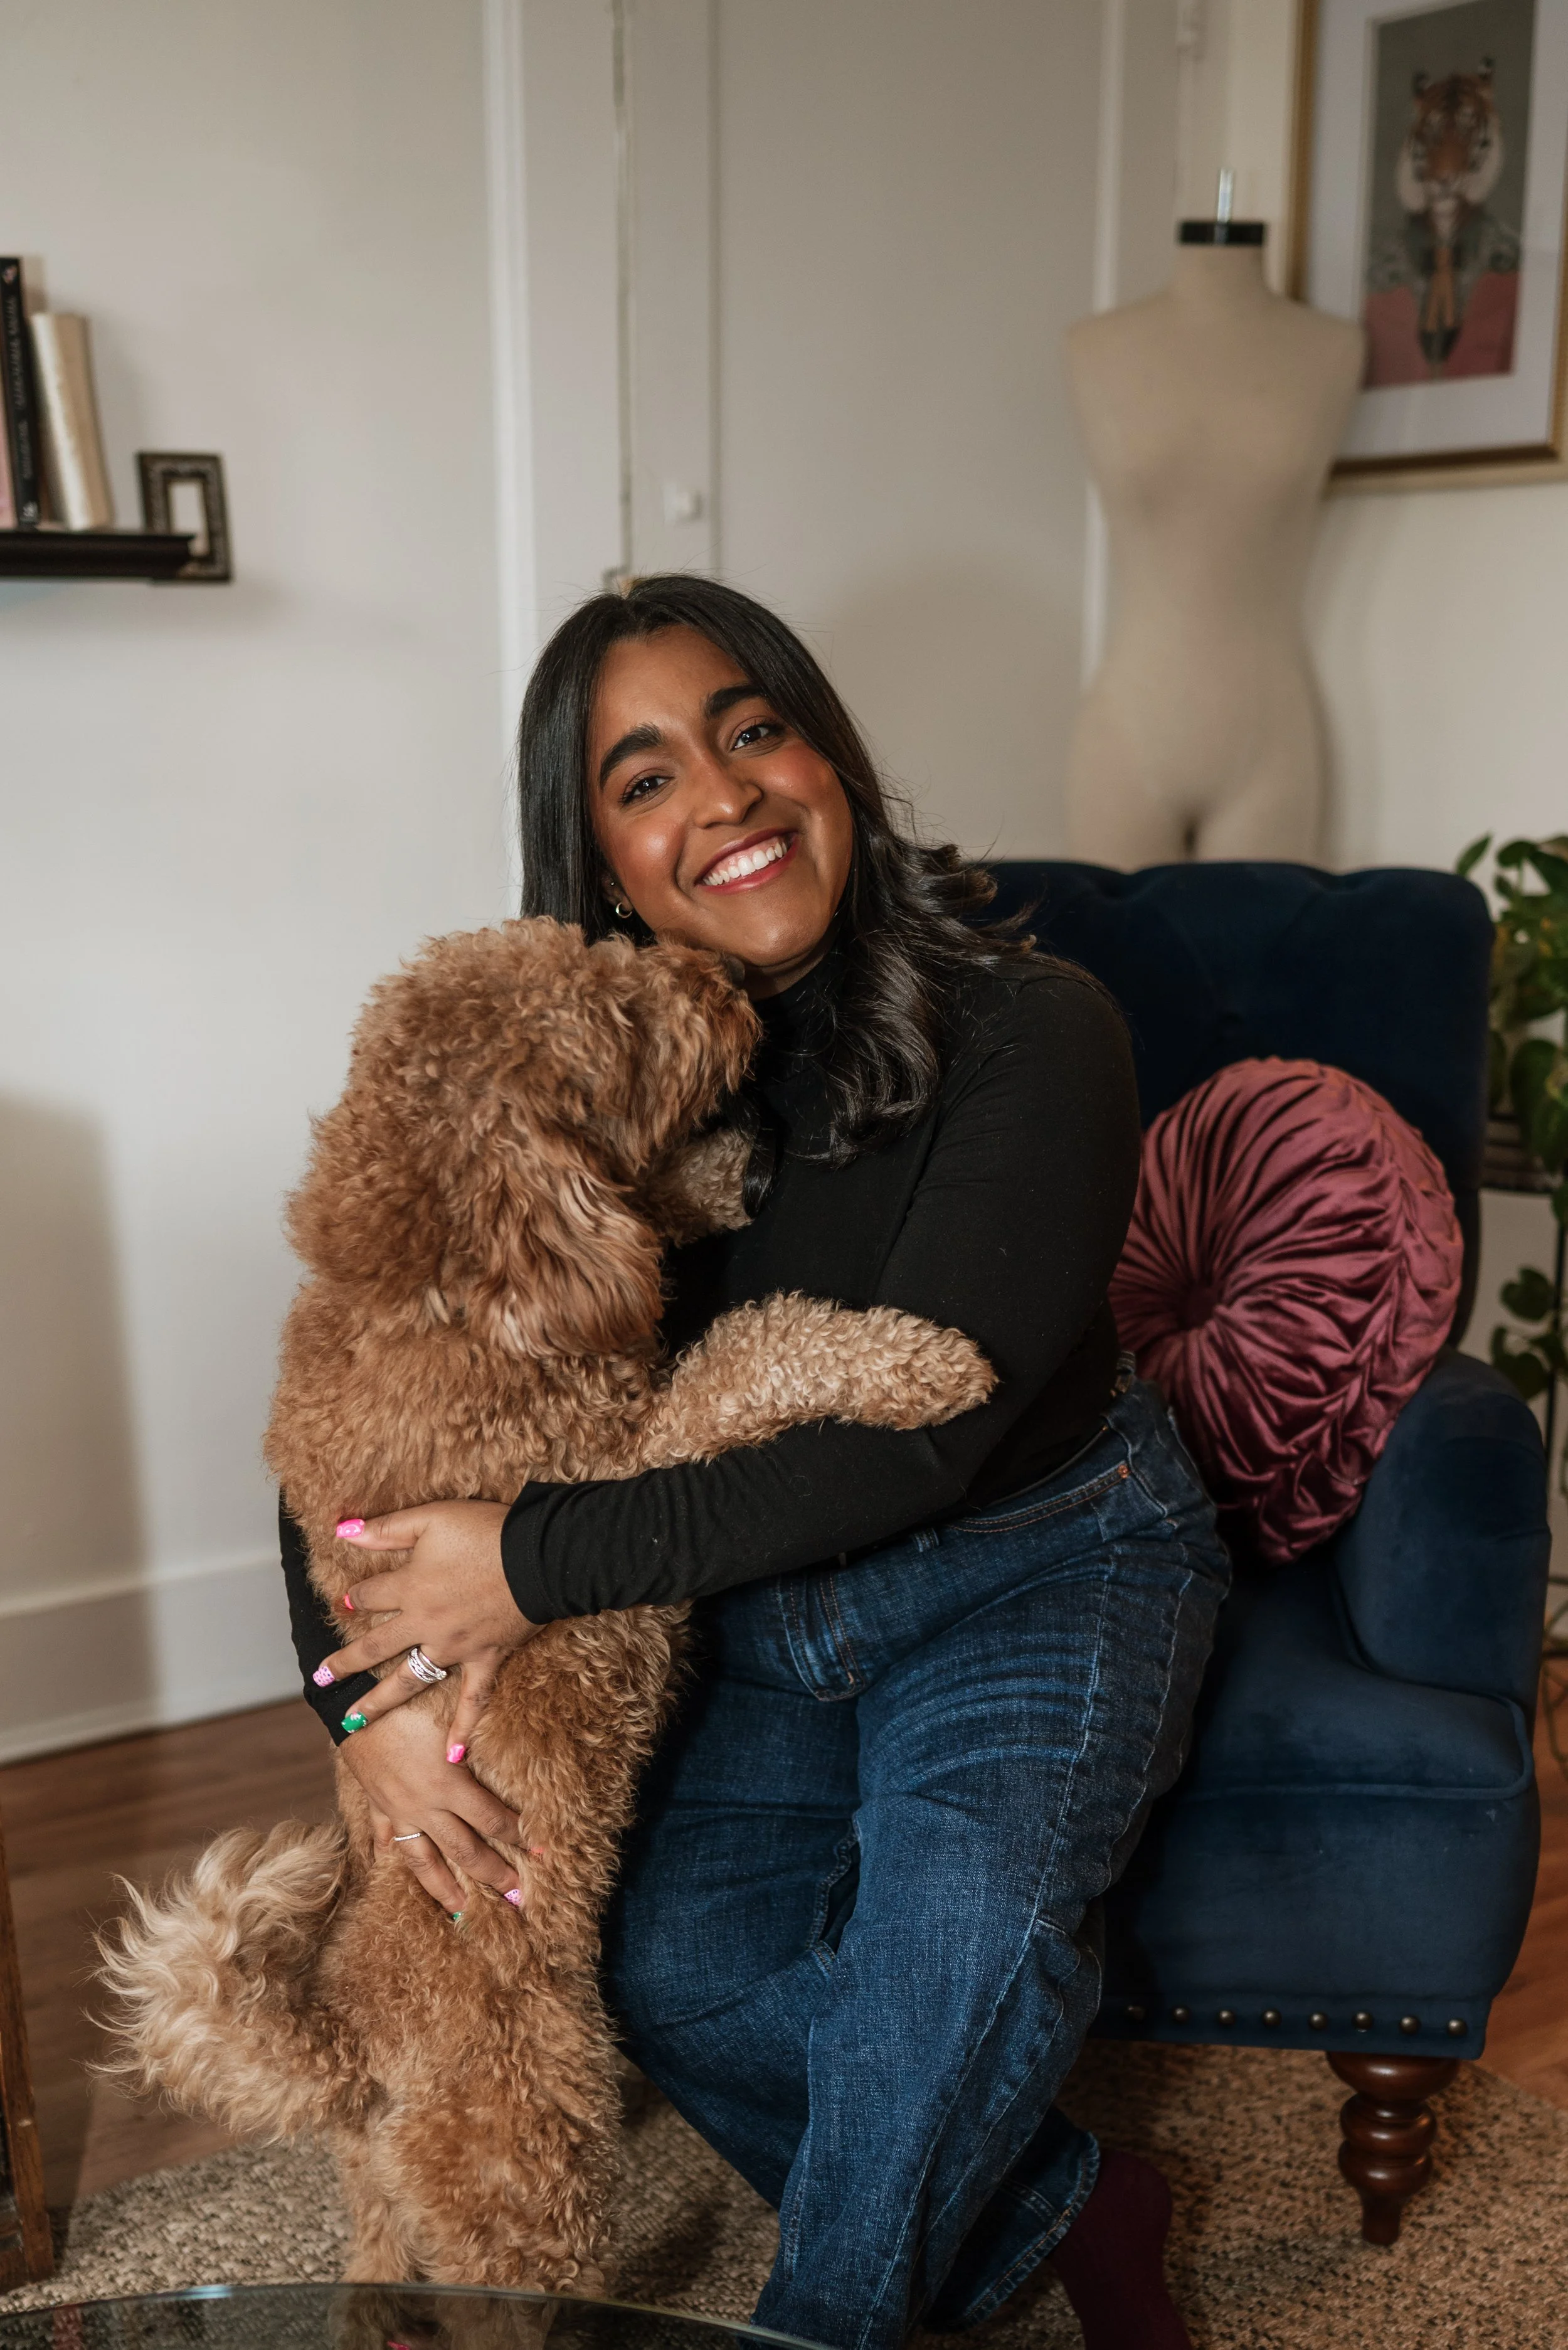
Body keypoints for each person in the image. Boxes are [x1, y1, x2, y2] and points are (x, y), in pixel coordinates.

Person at [280, 575, 1230, 2350]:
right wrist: (367, 1702)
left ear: (829, 759)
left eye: (749, 729)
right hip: (741, 1594)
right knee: (666, 1972)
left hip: (1037, 1553)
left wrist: (530, 1565)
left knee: (952, 1961)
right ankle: (1066, 2205)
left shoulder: (1037, 1032)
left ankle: (823, 2318)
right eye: (641, 780)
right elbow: (360, 1369)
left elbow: (921, 1442)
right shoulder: (580, 1080)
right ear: (596, 858)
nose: (718, 797)